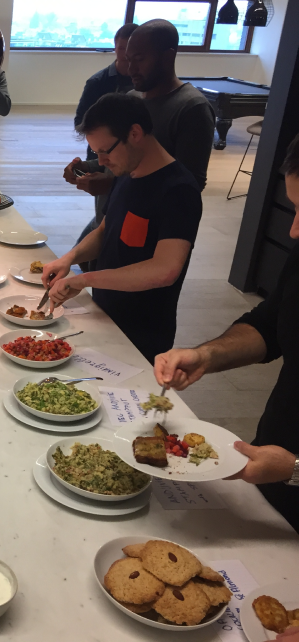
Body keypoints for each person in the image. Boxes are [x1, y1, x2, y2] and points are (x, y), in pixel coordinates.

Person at [153, 134, 299, 532]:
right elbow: (272, 324)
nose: (294, 232)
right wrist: (206, 355)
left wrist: (296, 469)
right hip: (272, 471)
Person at [42, 93, 202, 364]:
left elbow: (165, 270)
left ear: (135, 133)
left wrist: (85, 279)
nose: (101, 161)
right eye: (96, 152)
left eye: (105, 151)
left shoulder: (178, 190)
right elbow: (105, 230)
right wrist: (69, 258)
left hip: (141, 335)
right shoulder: (127, 172)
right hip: (104, 316)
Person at [65, 19, 215, 262]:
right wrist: (90, 166)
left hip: (148, 231)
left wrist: (111, 185)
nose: (129, 67)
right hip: (114, 211)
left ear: (168, 57)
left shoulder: (192, 107)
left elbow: (190, 184)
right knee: (87, 266)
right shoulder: (132, 97)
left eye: (139, 59)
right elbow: (123, 154)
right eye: (127, 58)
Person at [74, 23, 138, 161]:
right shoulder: (96, 82)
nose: (126, 54)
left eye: (131, 49)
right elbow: (80, 121)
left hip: (137, 153)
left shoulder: (148, 82)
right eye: (121, 48)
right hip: (102, 155)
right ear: (115, 47)